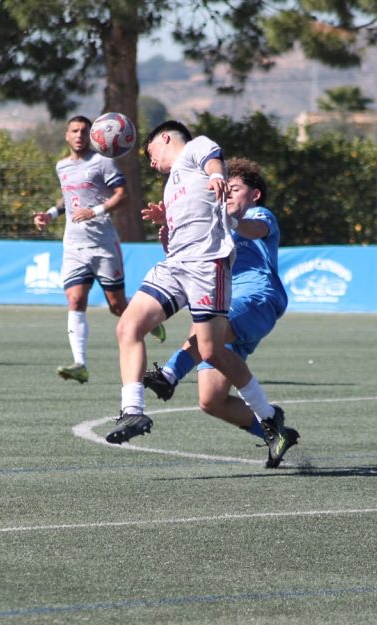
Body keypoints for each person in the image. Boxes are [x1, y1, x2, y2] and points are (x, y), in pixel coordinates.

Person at [106, 121, 298, 468]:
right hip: (179, 266)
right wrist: (168, 227)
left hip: (235, 284)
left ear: (165, 138)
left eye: (150, 152)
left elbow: (213, 158)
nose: (150, 162)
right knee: (131, 330)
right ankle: (132, 410)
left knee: (209, 346)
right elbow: (187, 231)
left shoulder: (198, 154)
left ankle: (176, 378)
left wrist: (217, 176)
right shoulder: (174, 185)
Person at [142, 158, 294, 457]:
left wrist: (230, 220)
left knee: (206, 322)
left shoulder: (259, 214)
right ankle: (275, 431)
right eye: (225, 189)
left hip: (255, 298)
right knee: (211, 401)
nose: (228, 193)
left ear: (255, 194)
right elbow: (189, 261)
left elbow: (253, 228)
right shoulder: (213, 223)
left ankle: (169, 374)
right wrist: (170, 233)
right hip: (224, 305)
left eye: (235, 188)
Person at [33, 115, 165, 384]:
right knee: (75, 300)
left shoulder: (103, 162)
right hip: (74, 245)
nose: (79, 135)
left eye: (84, 131)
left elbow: (123, 195)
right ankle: (80, 364)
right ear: (66, 135)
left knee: (117, 306)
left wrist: (94, 211)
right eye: (74, 130)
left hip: (103, 245)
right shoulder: (62, 166)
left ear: (93, 135)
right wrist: (50, 214)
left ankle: (149, 321)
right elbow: (68, 200)